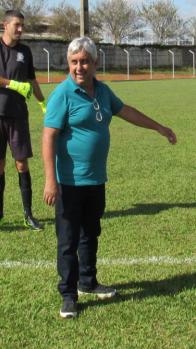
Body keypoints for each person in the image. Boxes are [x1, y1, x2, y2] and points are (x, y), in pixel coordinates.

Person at [43, 37, 177, 318]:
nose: (79, 67)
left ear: (95, 63)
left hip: (95, 180)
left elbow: (125, 111)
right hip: (69, 182)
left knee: (90, 234)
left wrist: (158, 127)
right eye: (74, 62)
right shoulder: (62, 95)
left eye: (84, 61)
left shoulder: (102, 92)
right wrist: (50, 180)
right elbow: (48, 138)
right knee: (67, 241)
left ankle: (88, 282)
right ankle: (68, 296)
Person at [0, 10, 47, 230]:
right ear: (5, 25)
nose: (20, 29)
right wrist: (12, 84)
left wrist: (44, 104)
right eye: (16, 25)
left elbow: (31, 80)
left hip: (18, 115)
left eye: (22, 26)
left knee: (21, 163)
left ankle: (28, 215)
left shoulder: (25, 51)